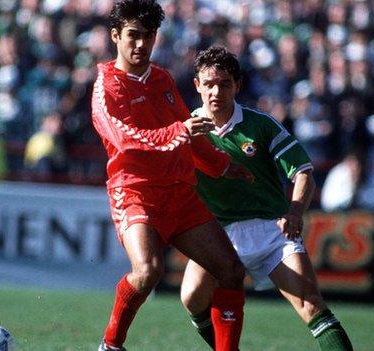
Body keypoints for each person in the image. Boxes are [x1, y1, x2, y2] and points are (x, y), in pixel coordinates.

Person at [90, 2, 253, 350]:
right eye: (133, 35)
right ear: (115, 36)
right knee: (148, 270)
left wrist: (222, 164)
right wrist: (178, 131)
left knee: (231, 271)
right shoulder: (107, 87)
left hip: (180, 194)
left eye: (148, 36)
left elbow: (192, 133)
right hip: (135, 193)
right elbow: (125, 140)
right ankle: (111, 345)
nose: (140, 44)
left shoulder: (162, 78)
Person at [180, 46, 353, 351]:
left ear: (238, 85)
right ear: (197, 85)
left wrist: (296, 212)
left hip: (272, 232)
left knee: (311, 305)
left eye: (224, 83)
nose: (216, 91)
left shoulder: (260, 125)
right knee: (192, 297)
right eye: (208, 84)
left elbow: (303, 172)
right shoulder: (187, 130)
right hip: (218, 234)